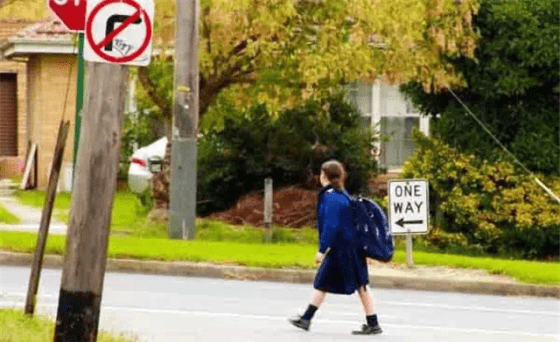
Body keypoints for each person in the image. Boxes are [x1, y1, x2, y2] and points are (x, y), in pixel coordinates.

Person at [288, 160, 382, 335]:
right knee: (357, 283)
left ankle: (306, 319)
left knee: (329, 282)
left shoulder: (331, 197)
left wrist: (321, 250)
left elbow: (331, 225)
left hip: (342, 248)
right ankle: (372, 322)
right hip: (352, 246)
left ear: (324, 176)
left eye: (321, 173)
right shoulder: (342, 193)